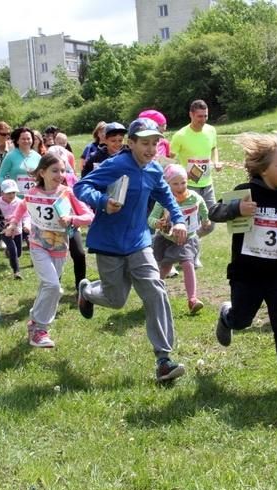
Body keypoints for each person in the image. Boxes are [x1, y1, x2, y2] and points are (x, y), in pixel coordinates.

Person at [74, 118, 188, 382]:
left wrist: (179, 218)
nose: (150, 149)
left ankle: (164, 360)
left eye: (155, 143)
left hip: (139, 242)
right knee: (116, 300)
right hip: (109, 244)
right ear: (131, 143)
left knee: (155, 291)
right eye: (145, 143)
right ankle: (88, 292)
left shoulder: (154, 169)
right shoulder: (116, 165)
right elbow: (82, 187)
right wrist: (102, 201)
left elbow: (165, 194)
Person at [208, 132, 277, 399]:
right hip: (247, 274)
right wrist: (236, 210)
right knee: (243, 320)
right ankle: (227, 316)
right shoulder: (247, 192)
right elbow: (214, 212)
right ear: (263, 169)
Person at [5, 153, 93, 348]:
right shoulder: (33, 193)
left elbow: (89, 216)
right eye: (55, 170)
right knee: (53, 286)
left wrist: (72, 220)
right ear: (42, 172)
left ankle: (34, 324)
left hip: (60, 248)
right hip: (38, 245)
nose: (60, 174)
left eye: (63, 170)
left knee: (48, 287)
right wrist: (13, 224)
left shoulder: (66, 193)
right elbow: (22, 206)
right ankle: (40, 329)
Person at [147, 164, 211, 314]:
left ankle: (193, 300)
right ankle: (154, 297)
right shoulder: (163, 200)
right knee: (164, 268)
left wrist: (206, 219)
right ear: (167, 184)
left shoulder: (194, 197)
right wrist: (158, 223)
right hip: (167, 240)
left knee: (188, 263)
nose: (180, 186)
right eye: (175, 183)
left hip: (187, 239)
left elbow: (202, 207)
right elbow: (151, 218)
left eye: (183, 182)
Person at [170, 99, 220, 238]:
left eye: (205, 116)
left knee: (211, 222)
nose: (203, 119)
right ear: (191, 115)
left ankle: (189, 243)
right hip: (189, 186)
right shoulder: (180, 135)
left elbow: (214, 148)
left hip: (207, 184)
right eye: (199, 116)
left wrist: (216, 162)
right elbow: (170, 159)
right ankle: (189, 253)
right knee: (190, 223)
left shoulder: (211, 130)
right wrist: (182, 173)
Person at [0, 179, 29, 279]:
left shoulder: (20, 202)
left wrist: (26, 225)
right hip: (4, 230)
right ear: (2, 193)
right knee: (12, 247)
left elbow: (26, 215)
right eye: (8, 193)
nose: (11, 195)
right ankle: (17, 272)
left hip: (17, 229)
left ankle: (9, 253)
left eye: (13, 192)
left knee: (18, 252)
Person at [0, 127, 42, 197]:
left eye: (28, 138)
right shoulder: (10, 156)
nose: (26, 141)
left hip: (34, 197)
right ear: (17, 141)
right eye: (23, 139)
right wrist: (7, 189)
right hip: (15, 198)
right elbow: (0, 176)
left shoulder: (38, 157)